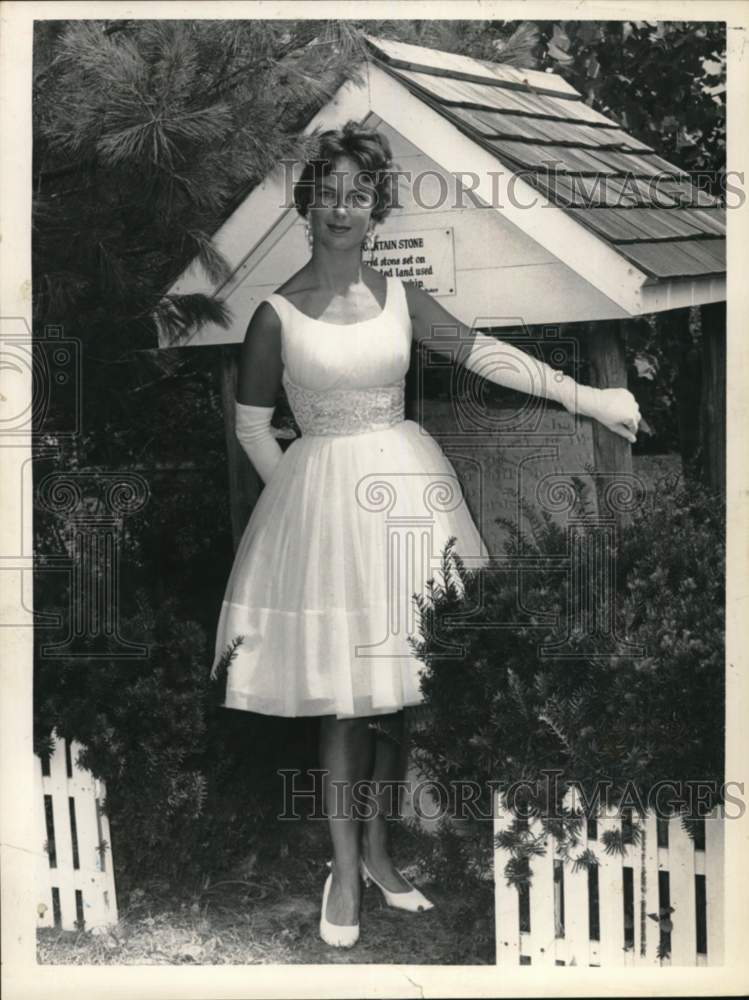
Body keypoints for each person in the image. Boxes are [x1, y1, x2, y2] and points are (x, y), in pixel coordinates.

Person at [210, 121, 641, 949]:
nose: (342, 208)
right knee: (342, 701)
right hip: (326, 517)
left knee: (401, 688)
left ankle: (376, 850)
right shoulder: (274, 316)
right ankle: (341, 869)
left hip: (410, 503)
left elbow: (480, 354)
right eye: (327, 193)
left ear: (377, 209)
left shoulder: (398, 297)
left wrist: (588, 398)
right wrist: (304, 510)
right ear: (308, 205)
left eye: (357, 195)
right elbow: (255, 427)